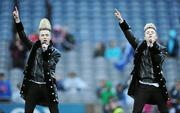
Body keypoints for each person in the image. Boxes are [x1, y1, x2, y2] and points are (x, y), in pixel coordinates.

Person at [114, 9, 169, 113]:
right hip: (142, 85)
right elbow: (130, 36)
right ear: (144, 36)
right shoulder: (139, 45)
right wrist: (122, 21)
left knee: (164, 110)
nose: (150, 34)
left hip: (157, 86)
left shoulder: (162, 49)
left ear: (156, 36)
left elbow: (158, 60)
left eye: (152, 32)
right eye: (147, 32)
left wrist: (152, 47)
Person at [13, 6, 61, 113]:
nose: (44, 37)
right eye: (42, 35)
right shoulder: (33, 47)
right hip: (33, 85)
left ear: (50, 37)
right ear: (39, 37)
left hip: (47, 86)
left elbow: (47, 68)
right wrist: (17, 21)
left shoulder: (56, 53)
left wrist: (45, 52)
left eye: (46, 35)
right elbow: (23, 37)